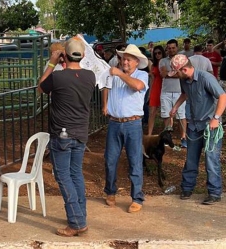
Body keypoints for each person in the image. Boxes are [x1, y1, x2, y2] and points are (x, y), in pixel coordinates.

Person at [38, 37, 95, 237]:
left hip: (61, 135)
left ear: (64, 55)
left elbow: (41, 86)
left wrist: (52, 62)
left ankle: (76, 222)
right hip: (81, 133)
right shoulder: (90, 76)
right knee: (76, 175)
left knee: (63, 177)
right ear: (83, 54)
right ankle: (80, 215)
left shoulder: (59, 77)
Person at [169, 54, 226, 205]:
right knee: (191, 159)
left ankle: (215, 192)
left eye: (177, 72)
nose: (176, 75)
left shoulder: (205, 78)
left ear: (185, 69)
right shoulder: (184, 80)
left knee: (211, 160)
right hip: (194, 125)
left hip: (210, 126)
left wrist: (215, 118)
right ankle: (187, 188)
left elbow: (223, 97)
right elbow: (185, 94)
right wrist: (176, 106)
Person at [102, 44, 149, 213]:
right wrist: (105, 104)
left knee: (135, 161)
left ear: (137, 62)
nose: (125, 62)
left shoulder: (142, 75)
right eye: (123, 59)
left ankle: (137, 197)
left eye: (128, 59)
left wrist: (119, 73)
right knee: (110, 160)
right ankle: (110, 192)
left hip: (133, 124)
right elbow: (105, 87)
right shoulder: (114, 74)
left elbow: (137, 86)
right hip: (114, 122)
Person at [159, 39, 187, 148]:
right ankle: (167, 138)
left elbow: (184, 74)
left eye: (173, 48)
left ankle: (183, 138)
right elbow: (163, 74)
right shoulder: (163, 61)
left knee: (181, 116)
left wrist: (169, 73)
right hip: (165, 91)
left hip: (180, 92)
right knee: (166, 116)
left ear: (177, 47)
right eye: (169, 48)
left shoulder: (183, 60)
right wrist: (176, 73)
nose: (171, 50)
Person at [148, 45, 166, 135]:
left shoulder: (166, 63)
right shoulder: (153, 65)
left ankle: (166, 133)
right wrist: (150, 93)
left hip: (165, 87)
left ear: (162, 52)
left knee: (166, 113)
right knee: (152, 112)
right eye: (155, 53)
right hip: (155, 87)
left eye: (159, 53)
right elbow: (152, 79)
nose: (157, 55)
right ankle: (149, 133)